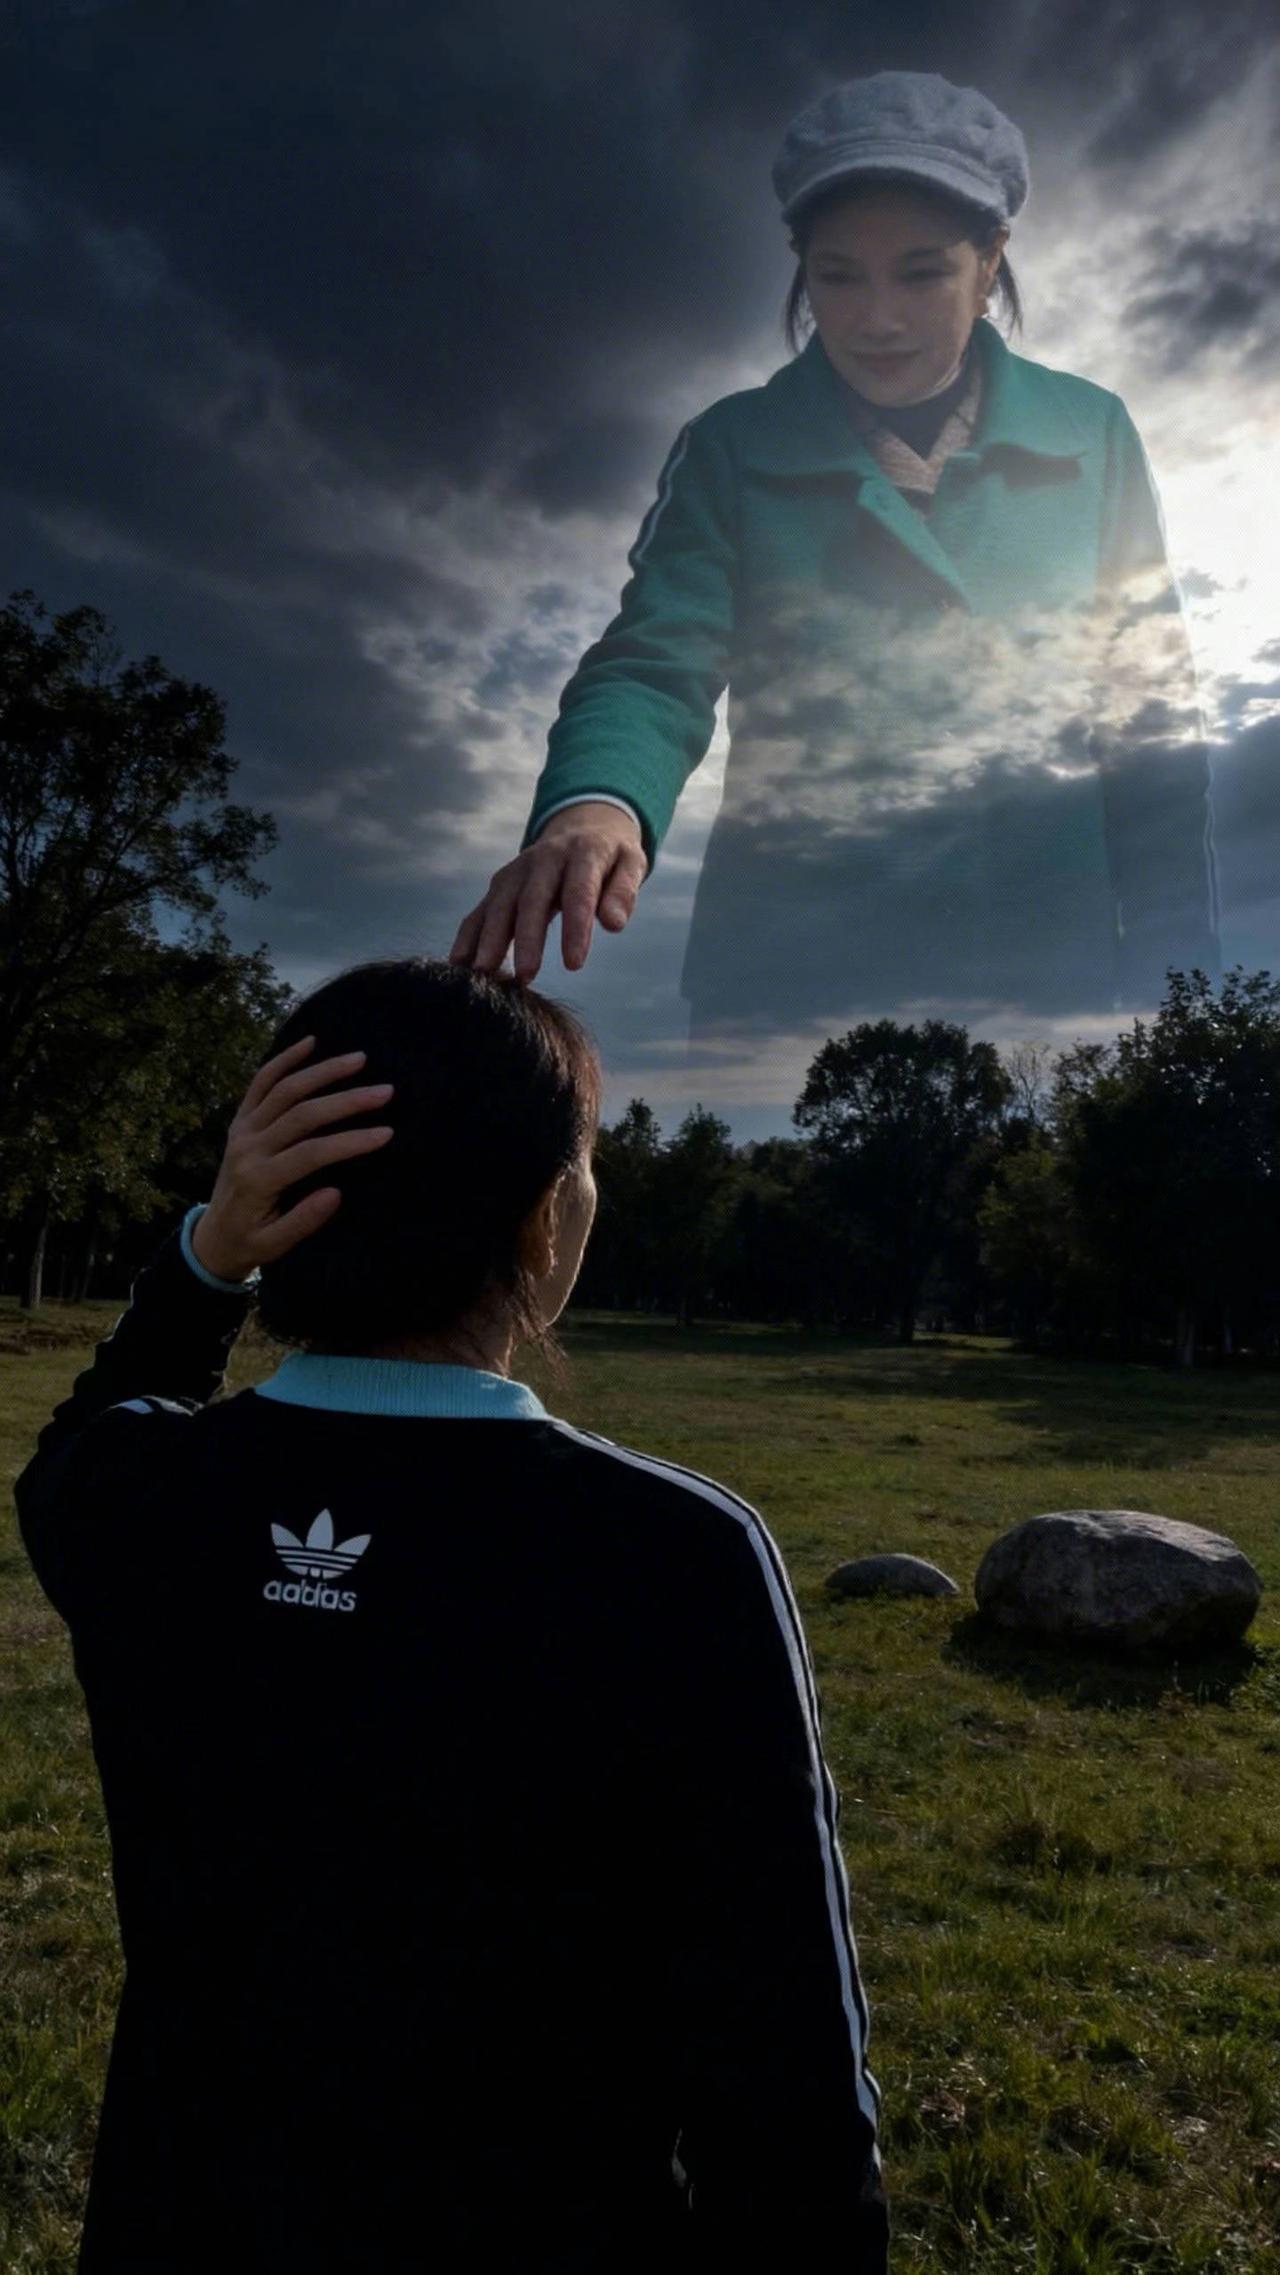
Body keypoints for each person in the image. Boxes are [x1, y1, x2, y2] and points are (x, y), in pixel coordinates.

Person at [16, 955, 889, 2272]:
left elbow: (88, 1432)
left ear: (279, 1199)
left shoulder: (134, 1496)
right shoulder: (679, 1555)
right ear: (542, 1223)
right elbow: (790, 2093)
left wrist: (208, 1256)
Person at [450, 70, 1219, 1038]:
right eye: (839, 275)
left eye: (921, 272)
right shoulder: (732, 445)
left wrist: (1184, 994)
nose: (876, 318)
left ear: (991, 257)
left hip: (1048, 986)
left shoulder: (1092, 434)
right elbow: (654, 659)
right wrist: (596, 805)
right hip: (784, 996)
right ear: (800, 265)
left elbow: (1148, 729)